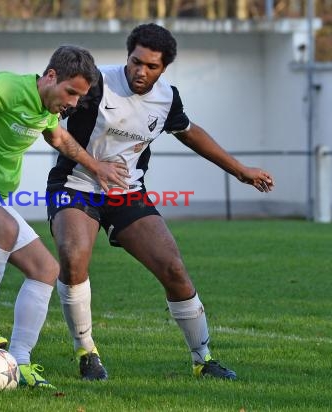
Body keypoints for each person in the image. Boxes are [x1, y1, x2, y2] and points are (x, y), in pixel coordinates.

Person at [46, 24, 275, 381]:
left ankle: (203, 359)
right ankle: (87, 352)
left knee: (173, 269)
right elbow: (51, 114)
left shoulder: (168, 98)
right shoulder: (97, 83)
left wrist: (240, 170)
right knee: (73, 258)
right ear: (128, 56)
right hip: (75, 185)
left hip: (128, 194)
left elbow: (190, 133)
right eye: (136, 62)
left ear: (164, 68)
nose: (141, 71)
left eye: (151, 66)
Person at [0, 45, 128, 390]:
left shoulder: (46, 109)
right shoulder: (13, 87)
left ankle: (20, 362)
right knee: (5, 228)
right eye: (71, 92)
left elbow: (60, 138)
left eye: (80, 96)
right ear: (50, 76)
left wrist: (96, 166)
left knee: (46, 270)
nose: (74, 103)